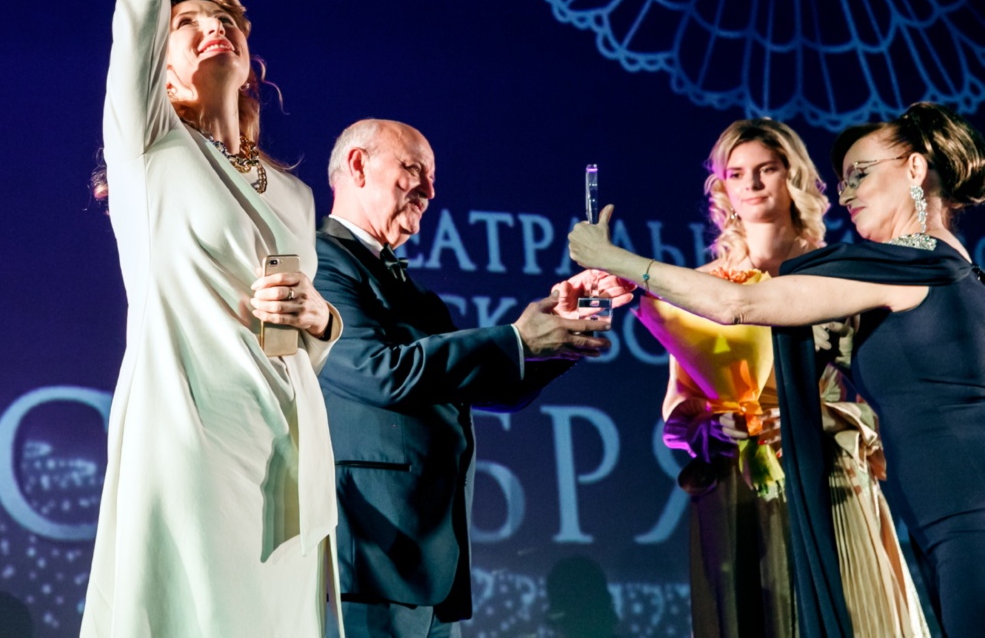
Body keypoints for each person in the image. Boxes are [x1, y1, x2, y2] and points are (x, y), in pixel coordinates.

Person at [82, 0, 342, 637]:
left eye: (223, 20)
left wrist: (322, 320)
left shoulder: (296, 195)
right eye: (188, 26)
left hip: (287, 460)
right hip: (190, 445)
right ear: (160, 64)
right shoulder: (149, 147)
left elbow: (297, 342)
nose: (209, 30)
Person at [568, 102, 985, 638]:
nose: (846, 194)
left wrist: (615, 259)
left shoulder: (904, 264)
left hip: (957, 514)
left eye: (860, 173)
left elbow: (738, 305)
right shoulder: (949, 267)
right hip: (944, 520)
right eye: (843, 180)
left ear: (915, 169)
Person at [313, 118, 629, 638]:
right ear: (357, 165)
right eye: (414, 169)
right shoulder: (318, 262)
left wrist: (560, 334)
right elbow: (379, 371)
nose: (430, 191)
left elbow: (485, 386)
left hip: (429, 568)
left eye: (433, 178)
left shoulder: (416, 294)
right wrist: (518, 338)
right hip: (369, 557)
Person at [636, 119, 927, 638]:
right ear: (722, 187)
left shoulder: (844, 275)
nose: (751, 184)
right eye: (736, 173)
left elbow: (892, 403)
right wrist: (709, 428)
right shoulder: (701, 289)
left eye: (766, 169)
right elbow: (678, 411)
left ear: (792, 176)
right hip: (740, 489)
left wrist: (817, 417)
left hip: (830, 474)